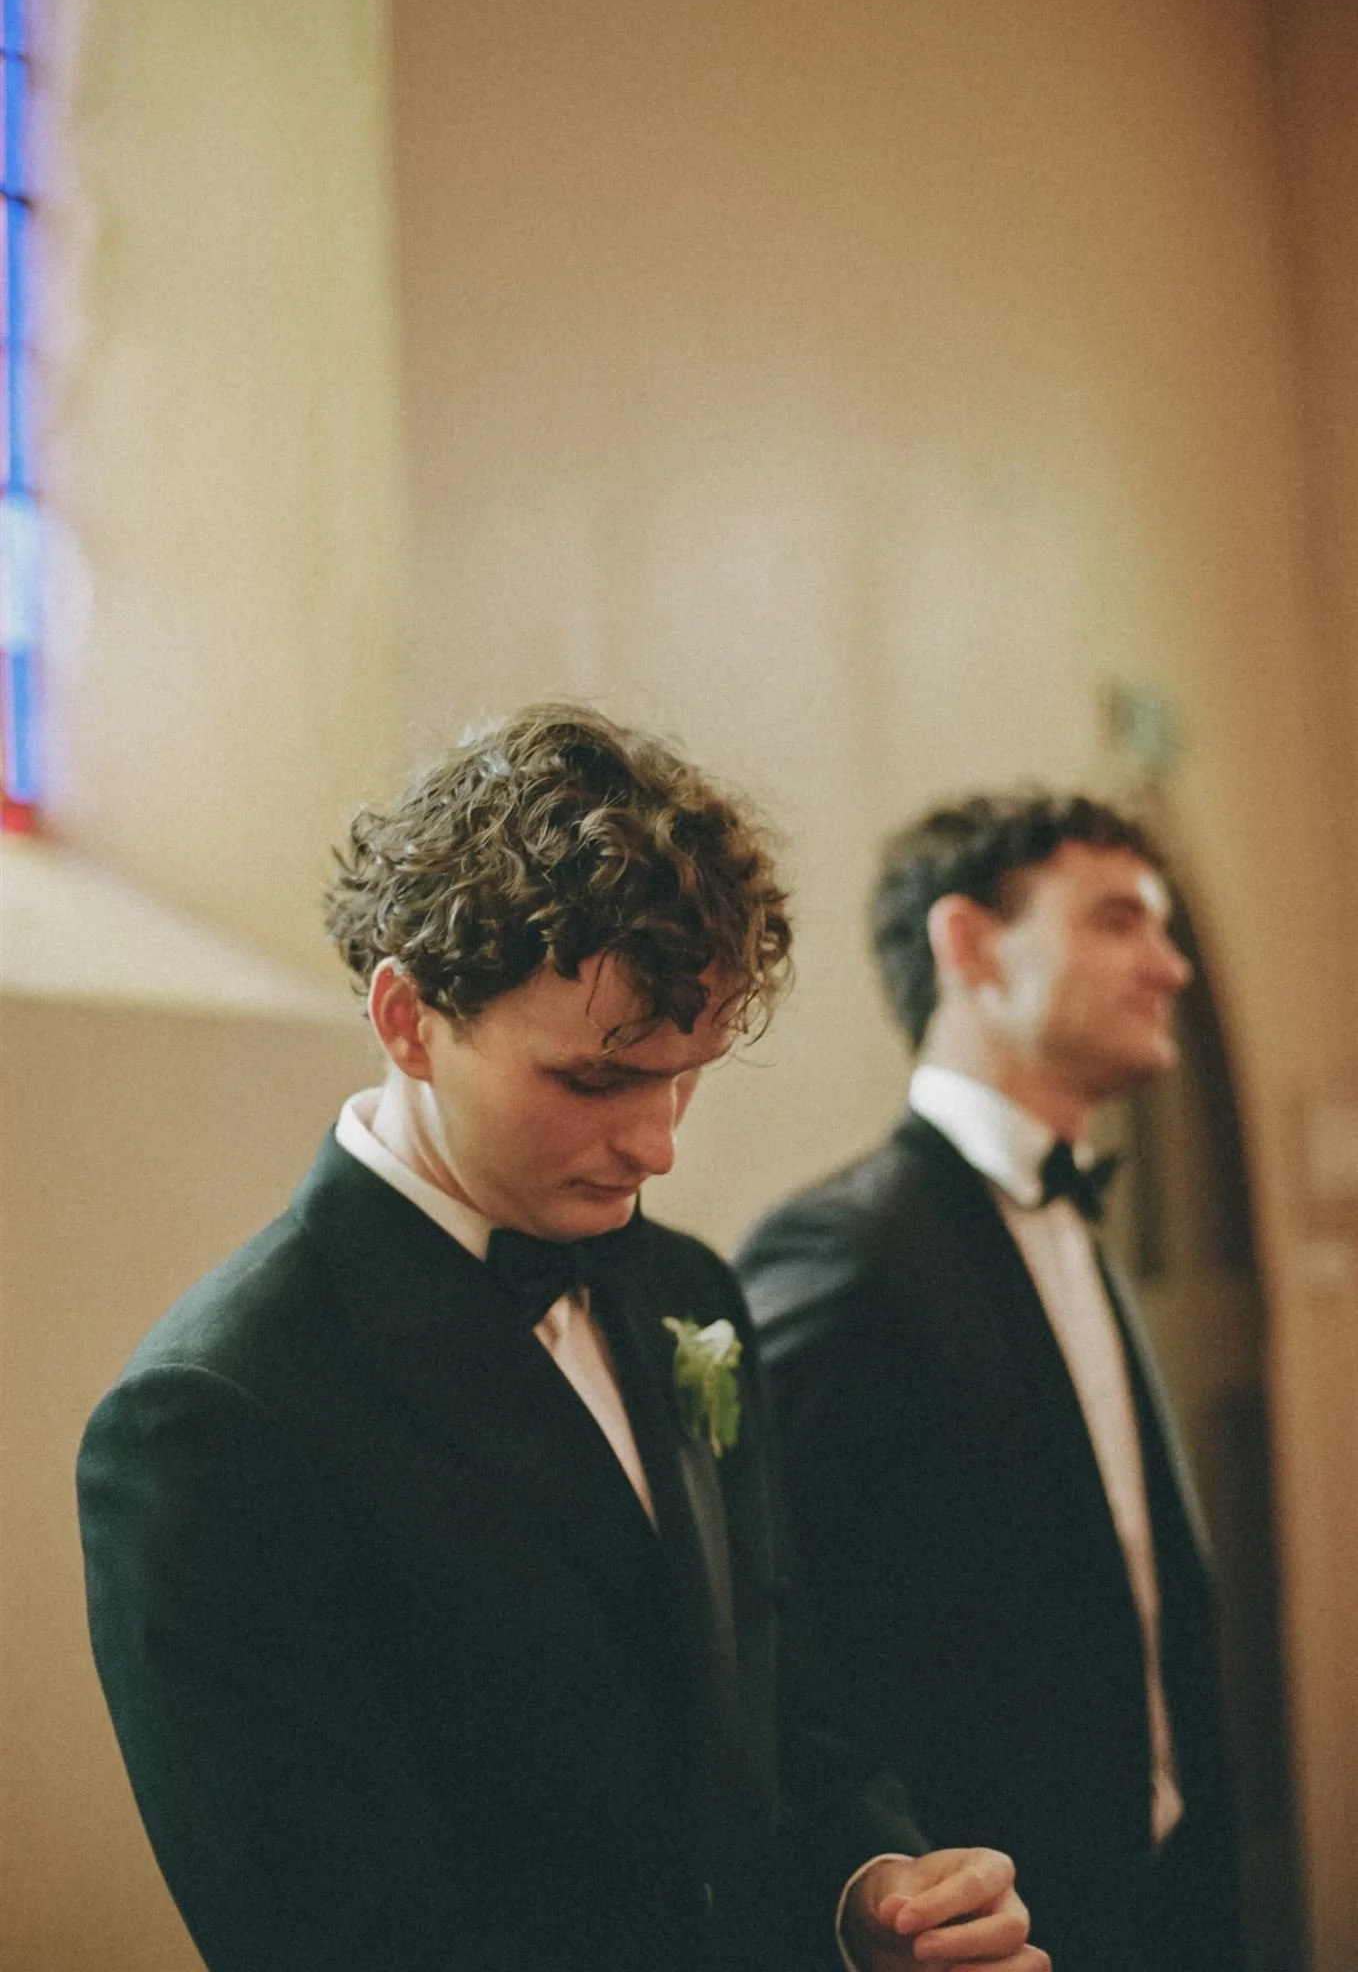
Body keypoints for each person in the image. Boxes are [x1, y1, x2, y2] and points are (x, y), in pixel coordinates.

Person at [78, 707, 1047, 1972]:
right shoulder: (213, 1415)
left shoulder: (684, 1287)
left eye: (684, 1071)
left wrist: (868, 1888)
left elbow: (769, 1698)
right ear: (408, 1018)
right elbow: (331, 1931)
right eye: (595, 1080)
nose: (657, 1145)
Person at [736, 791, 1244, 1972]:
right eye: (1119, 920)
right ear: (966, 945)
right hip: (988, 1924)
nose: (1167, 966)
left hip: (1160, 1901)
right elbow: (775, 1645)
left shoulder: (1071, 1220)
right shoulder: (841, 1252)